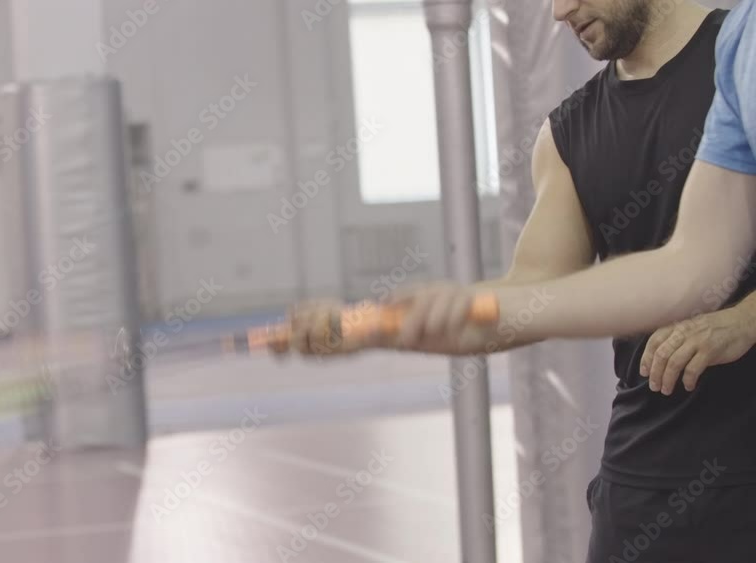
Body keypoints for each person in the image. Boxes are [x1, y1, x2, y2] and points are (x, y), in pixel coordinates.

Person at [292, 1, 756, 561]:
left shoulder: (740, 54)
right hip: (646, 484)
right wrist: (389, 322)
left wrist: (745, 317)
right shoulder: (567, 135)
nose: (559, 11)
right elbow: (538, 292)